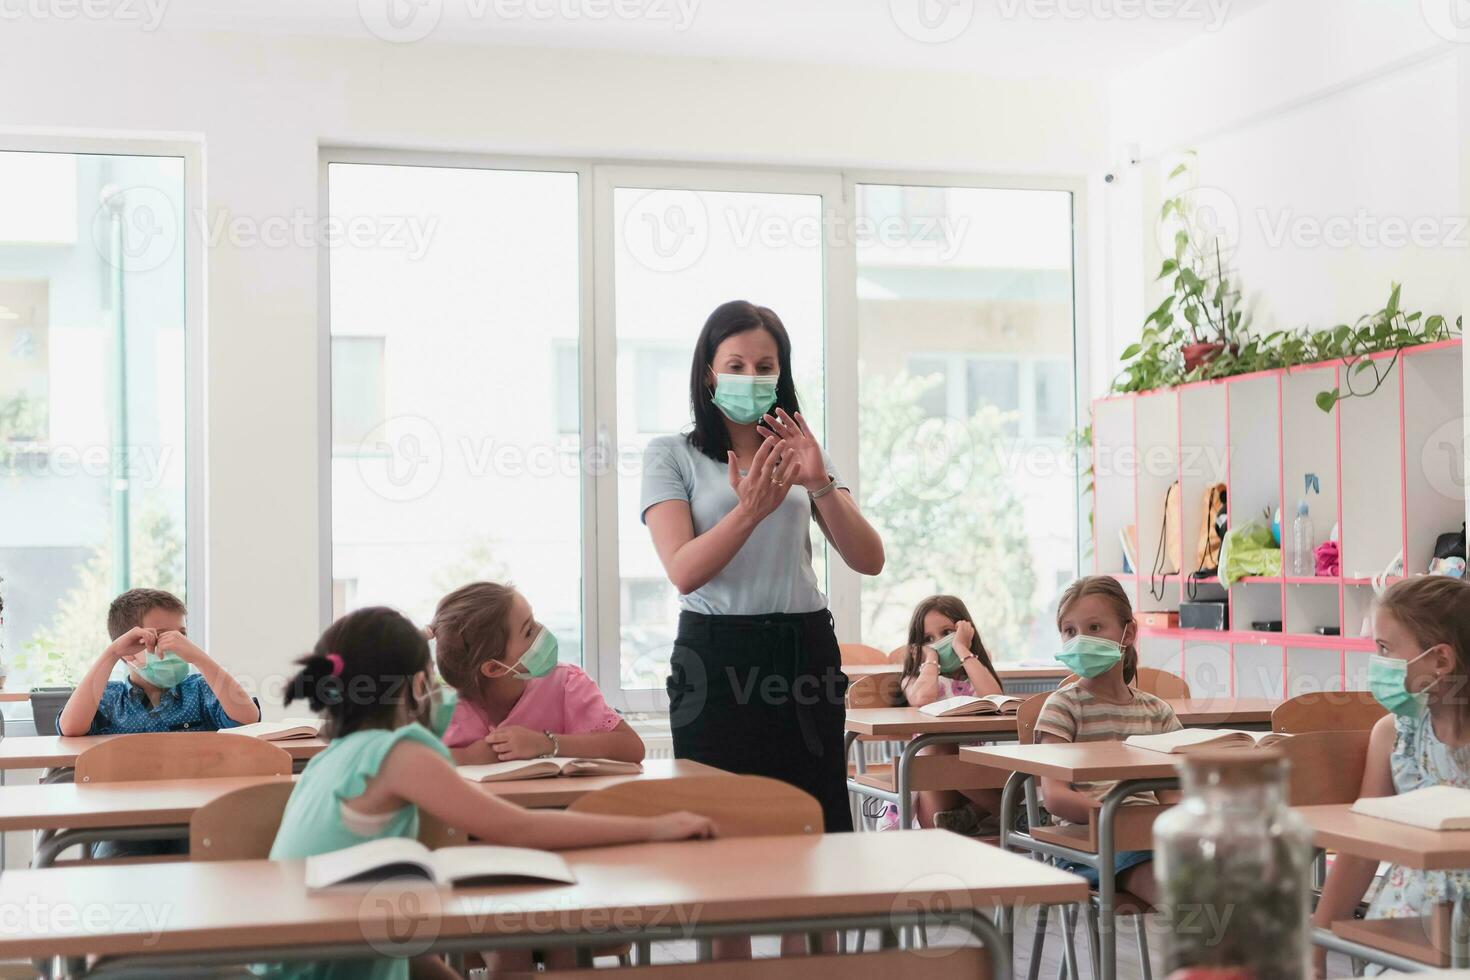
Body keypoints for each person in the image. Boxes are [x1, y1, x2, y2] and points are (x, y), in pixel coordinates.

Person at [268, 606, 716, 980]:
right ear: (418, 686)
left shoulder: (331, 757)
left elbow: (402, 948)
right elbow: (520, 827)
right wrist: (657, 827)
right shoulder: (399, 752)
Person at [641, 299, 884, 835]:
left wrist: (819, 483)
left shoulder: (802, 453)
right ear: (709, 373)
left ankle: (819, 923)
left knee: (816, 830)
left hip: (804, 654)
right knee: (719, 833)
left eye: (765, 366)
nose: (751, 376)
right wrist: (749, 512)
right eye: (735, 365)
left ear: (781, 373)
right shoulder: (671, 455)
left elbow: (869, 559)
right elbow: (683, 570)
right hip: (716, 657)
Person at [1311, 576, 1470, 977]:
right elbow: (1362, 849)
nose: (1377, 662)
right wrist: (1316, 942)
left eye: (1384, 648)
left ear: (1440, 661)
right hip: (1410, 915)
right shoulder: (1394, 735)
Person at [1035, 575, 1182, 906]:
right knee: (1181, 890)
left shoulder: (1156, 712)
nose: (1081, 640)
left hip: (1148, 836)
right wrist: (1120, 819)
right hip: (1088, 842)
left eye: (1095, 628)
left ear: (1127, 634)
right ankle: (1210, 952)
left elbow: (1172, 794)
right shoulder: (1062, 706)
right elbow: (1056, 796)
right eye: (1070, 631)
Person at [429, 581, 644, 765]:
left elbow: (632, 747)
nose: (542, 632)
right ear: (494, 668)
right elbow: (404, 764)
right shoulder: (448, 708)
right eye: (529, 631)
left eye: (534, 621)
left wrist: (546, 743)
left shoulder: (567, 684)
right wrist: (470, 756)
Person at [58, 587, 261, 738]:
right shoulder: (109, 697)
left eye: (181, 636)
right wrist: (112, 653)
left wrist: (200, 658)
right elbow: (71, 728)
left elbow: (248, 719)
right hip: (127, 793)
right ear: (128, 651)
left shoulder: (200, 689)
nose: (176, 645)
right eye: (161, 636)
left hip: (194, 792)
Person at [896, 594, 1005, 834]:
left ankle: (970, 816)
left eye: (947, 633)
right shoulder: (913, 678)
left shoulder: (974, 672)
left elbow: (994, 697)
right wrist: (931, 659)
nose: (939, 642)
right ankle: (1011, 813)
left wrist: (962, 649)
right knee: (941, 750)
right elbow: (922, 698)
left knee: (1018, 773)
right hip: (933, 788)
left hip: (973, 782)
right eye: (928, 639)